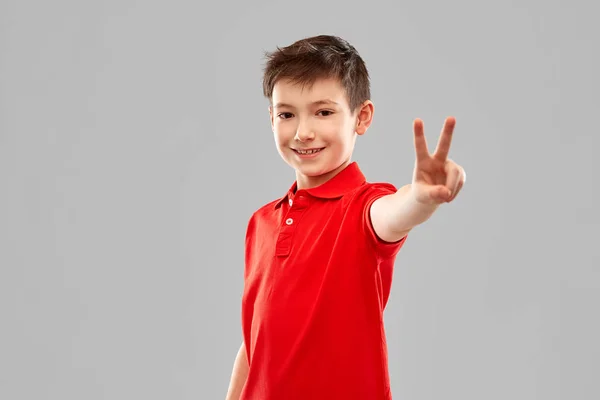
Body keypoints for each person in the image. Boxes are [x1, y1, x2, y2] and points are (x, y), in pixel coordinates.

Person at [225, 34, 466, 400]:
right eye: (287, 114)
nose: (304, 132)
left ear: (361, 117)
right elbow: (255, 340)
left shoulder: (364, 207)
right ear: (271, 118)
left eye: (323, 112)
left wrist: (419, 198)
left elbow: (393, 215)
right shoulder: (260, 224)